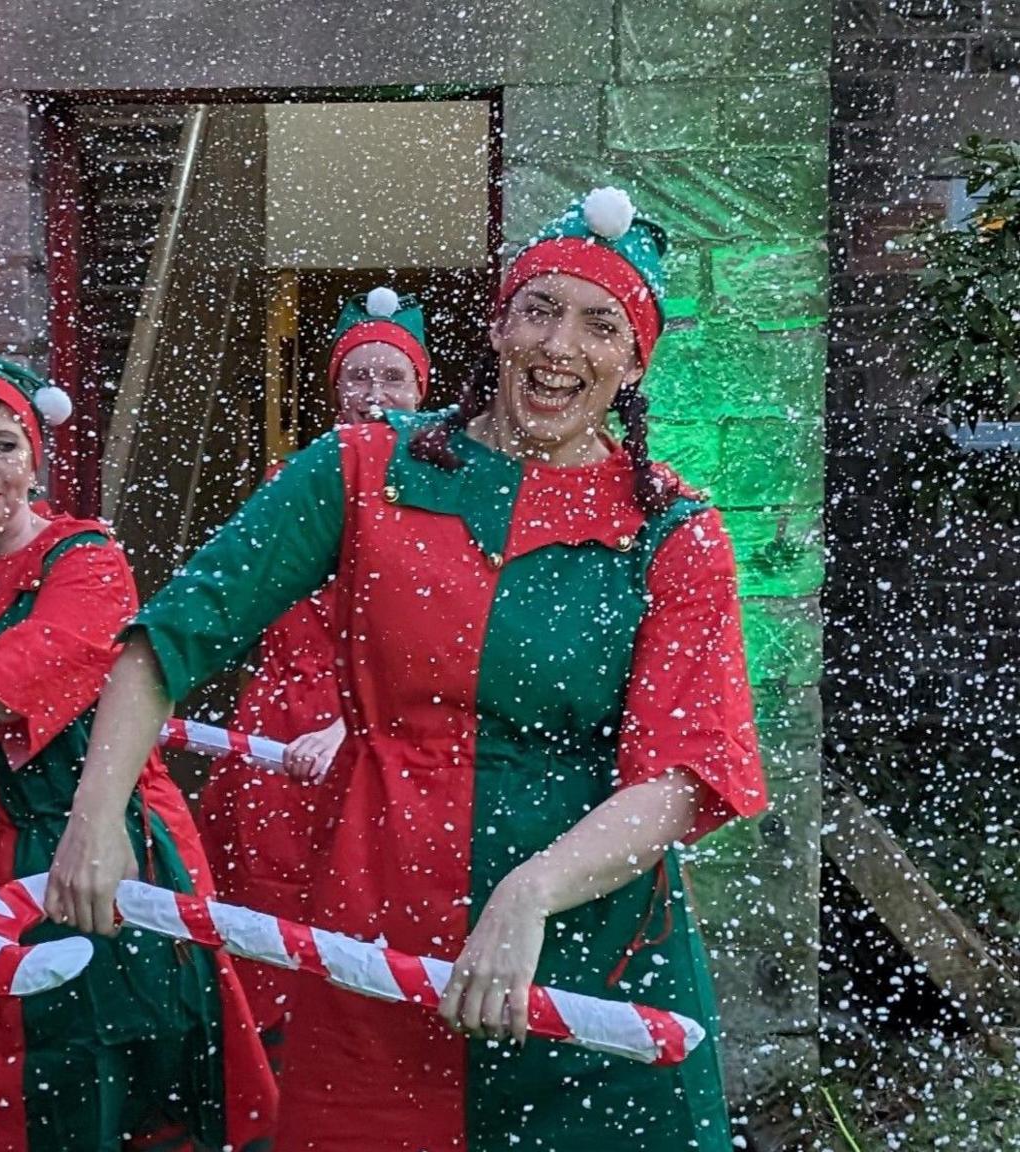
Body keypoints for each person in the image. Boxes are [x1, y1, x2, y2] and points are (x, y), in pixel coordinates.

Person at [46, 188, 769, 1151]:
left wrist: (528, 893)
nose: (561, 346)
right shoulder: (361, 467)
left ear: (634, 361)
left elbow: (683, 777)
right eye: (540, 310)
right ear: (500, 322)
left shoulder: (675, 534)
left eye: (600, 325)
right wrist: (95, 820)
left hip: (596, 961)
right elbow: (170, 637)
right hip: (376, 937)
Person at [0, 353, 277, 1151]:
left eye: (5, 444)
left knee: (97, 1106)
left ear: (36, 460)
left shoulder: (86, 562)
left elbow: (8, 683)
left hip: (88, 867)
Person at [194, 286, 432, 1068]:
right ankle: (267, 1079)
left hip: (374, 741)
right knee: (261, 916)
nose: (373, 395)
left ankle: (348, 1074)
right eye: (356, 377)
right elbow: (234, 599)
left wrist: (350, 726)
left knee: (364, 922)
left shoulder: (441, 493)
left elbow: (432, 648)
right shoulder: (288, 480)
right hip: (273, 740)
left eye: (390, 378)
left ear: (421, 388)